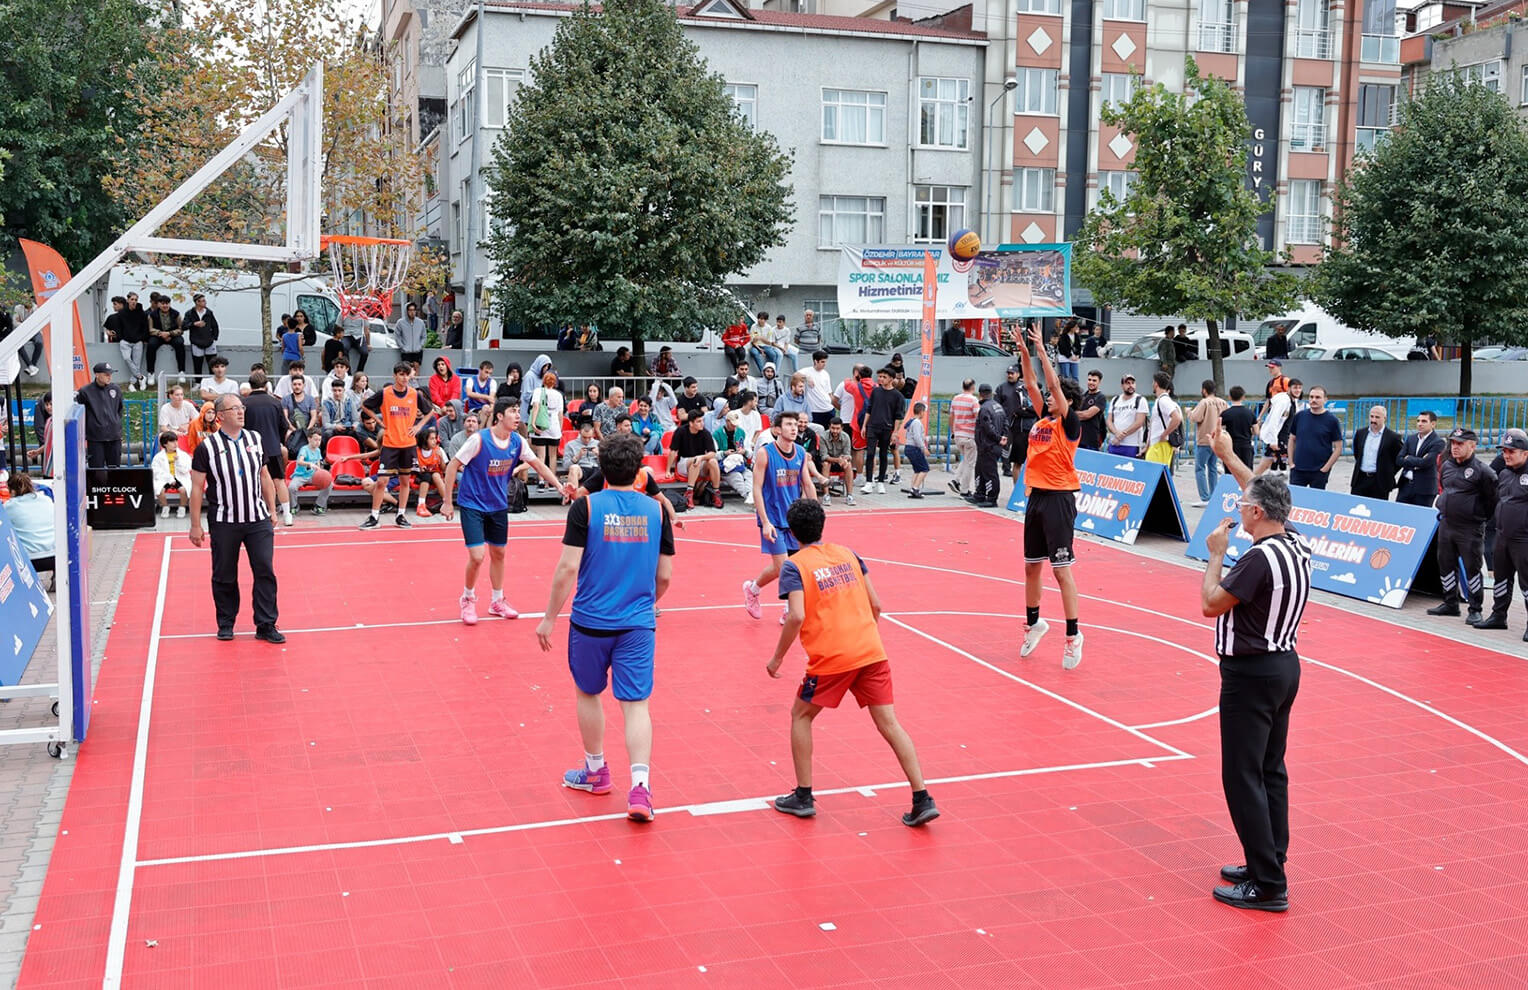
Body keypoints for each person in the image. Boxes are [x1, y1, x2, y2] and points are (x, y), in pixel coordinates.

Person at [766, 498, 939, 827]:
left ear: (791, 533)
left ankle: (803, 796)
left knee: (800, 716)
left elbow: (797, 615)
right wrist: (861, 634)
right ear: (822, 526)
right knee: (889, 724)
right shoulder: (849, 554)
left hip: (833, 657)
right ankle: (922, 797)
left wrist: (776, 659)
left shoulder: (794, 566)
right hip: (872, 651)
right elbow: (876, 604)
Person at [536, 433, 675, 823]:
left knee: (588, 692)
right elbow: (664, 575)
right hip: (637, 625)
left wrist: (549, 617)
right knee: (635, 705)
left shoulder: (586, 508)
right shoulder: (656, 511)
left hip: (590, 622)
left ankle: (596, 770)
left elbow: (567, 569)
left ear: (601, 467)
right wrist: (645, 604)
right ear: (640, 468)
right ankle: (641, 788)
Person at [1199, 429, 1311, 913]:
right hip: (1284, 666)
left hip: (1251, 673)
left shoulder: (1256, 559)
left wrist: (1215, 554)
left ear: (1257, 514)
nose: (1239, 507)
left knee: (1242, 775)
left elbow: (1211, 604)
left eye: (1244, 505)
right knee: (1270, 771)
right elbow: (1263, 496)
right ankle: (1269, 860)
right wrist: (1227, 455)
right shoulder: (1293, 542)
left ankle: (1268, 884)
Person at [442, 399, 569, 624]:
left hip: (498, 505)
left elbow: (539, 465)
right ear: (500, 416)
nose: (517, 416)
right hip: (473, 504)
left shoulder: (517, 441)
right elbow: (453, 465)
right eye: (512, 411)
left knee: (499, 554)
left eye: (518, 411)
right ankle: (468, 598)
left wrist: (559, 486)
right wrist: (447, 502)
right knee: (477, 556)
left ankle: (497, 601)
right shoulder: (479, 440)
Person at [1015, 324, 1085, 670]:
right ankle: (1034, 623)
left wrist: (1043, 350)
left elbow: (1053, 384)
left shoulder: (1068, 425)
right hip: (1036, 497)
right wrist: (1025, 352)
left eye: (1059, 397)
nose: (1051, 397)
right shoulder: (1043, 419)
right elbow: (1031, 383)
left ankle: (1073, 635)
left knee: (1061, 571)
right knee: (1031, 567)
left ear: (1068, 403)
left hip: (1060, 498)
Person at [189, 394, 283, 643]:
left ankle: (266, 624)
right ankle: (226, 622)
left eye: (242, 407)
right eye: (234, 409)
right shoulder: (206, 447)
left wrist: (272, 510)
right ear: (220, 416)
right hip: (224, 520)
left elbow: (265, 476)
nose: (241, 412)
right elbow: (197, 488)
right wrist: (195, 525)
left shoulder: (255, 438)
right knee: (224, 574)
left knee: (264, 569)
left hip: (257, 518)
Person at [743, 412, 817, 624]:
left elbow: (807, 484)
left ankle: (757, 591)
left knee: (790, 565)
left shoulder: (801, 452)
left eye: (796, 424)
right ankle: (778, 603)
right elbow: (756, 488)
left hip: (794, 519)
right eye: (788, 425)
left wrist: (816, 513)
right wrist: (765, 521)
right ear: (777, 429)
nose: (794, 428)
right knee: (785, 566)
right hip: (773, 518)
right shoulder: (766, 453)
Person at [1427, 428, 1497, 625]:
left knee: (1472, 569)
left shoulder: (1484, 471)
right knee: (1445, 564)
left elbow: (1492, 500)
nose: (1454, 447)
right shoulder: (1447, 465)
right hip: (1447, 524)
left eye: (1460, 444)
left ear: (1472, 446)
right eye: (1453, 443)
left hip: (1470, 529)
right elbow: (1444, 488)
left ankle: (1475, 609)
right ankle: (1450, 603)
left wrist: (1477, 517)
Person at [359, 362, 434, 529]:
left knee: (405, 480)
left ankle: (401, 515)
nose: (404, 377)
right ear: (394, 376)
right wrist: (378, 420)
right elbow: (365, 405)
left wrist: (418, 427)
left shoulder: (414, 394)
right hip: (390, 443)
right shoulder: (385, 393)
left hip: (408, 444)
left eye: (407, 374)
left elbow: (430, 411)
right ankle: (374, 516)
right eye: (401, 374)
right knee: (381, 481)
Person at [1474, 429, 1528, 639]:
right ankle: (1498, 615)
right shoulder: (1504, 474)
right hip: (1502, 536)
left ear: (1524, 452)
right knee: (1502, 579)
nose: (1506, 455)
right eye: (1504, 450)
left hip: (1524, 539)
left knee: (1526, 583)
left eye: (1511, 451)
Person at [1285, 386, 1343, 490]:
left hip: (1319, 471)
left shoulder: (1332, 420)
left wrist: (1326, 468)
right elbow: (1292, 439)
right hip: (1298, 470)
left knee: (1316, 503)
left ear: (1325, 400)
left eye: (1317, 397)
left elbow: (1338, 448)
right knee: (1296, 501)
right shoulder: (1300, 416)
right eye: (1311, 397)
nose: (1313, 400)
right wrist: (1291, 462)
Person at [859, 367, 906, 495]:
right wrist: (864, 425)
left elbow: (898, 416)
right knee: (870, 453)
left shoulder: (898, 396)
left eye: (884, 377)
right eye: (879, 376)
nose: (880, 379)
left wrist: (895, 432)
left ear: (891, 379)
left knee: (883, 454)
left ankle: (880, 482)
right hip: (872, 426)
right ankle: (869, 481)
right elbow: (869, 409)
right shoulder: (876, 391)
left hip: (887, 428)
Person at [668, 410, 723, 509]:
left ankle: (716, 493)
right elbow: (673, 451)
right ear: (691, 423)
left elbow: (712, 453)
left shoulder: (705, 433)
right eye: (698, 421)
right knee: (695, 461)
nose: (702, 423)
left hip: (699, 461)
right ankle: (689, 493)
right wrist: (668, 470)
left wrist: (701, 457)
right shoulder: (681, 431)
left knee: (713, 461)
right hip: (683, 463)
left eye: (702, 421)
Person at [76, 362, 125, 468]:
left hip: (114, 437)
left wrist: (115, 424)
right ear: (97, 375)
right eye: (106, 374)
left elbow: (119, 409)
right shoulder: (85, 391)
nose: (109, 377)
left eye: (110, 374)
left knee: (115, 468)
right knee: (96, 470)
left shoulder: (115, 389)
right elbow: (80, 412)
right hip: (95, 438)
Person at [1187, 379, 1227, 506]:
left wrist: (1189, 412)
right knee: (1213, 467)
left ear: (1204, 390)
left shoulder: (1204, 402)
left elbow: (1196, 417)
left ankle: (1205, 497)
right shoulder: (1222, 402)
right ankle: (1214, 494)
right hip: (1218, 439)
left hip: (1205, 439)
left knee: (1200, 468)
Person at [1350, 405, 1402, 500]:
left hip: (1379, 482)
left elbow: (1399, 459)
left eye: (1377, 417)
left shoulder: (1393, 437)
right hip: (1360, 479)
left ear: (1384, 418)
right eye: (1372, 416)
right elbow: (1357, 453)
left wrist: (1387, 472)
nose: (1373, 420)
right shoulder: (1360, 433)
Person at [996, 363, 1037, 482]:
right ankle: (1006, 466)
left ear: (1018, 375)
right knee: (1006, 446)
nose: (1010, 375)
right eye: (1008, 373)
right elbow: (1000, 405)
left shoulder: (1024, 388)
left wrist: (1026, 411)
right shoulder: (1002, 387)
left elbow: (1036, 409)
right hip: (1007, 422)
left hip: (1024, 426)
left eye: (1012, 373)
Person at [1396, 411, 1445, 507]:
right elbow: (1399, 459)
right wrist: (1417, 462)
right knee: (1399, 517)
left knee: (1419, 519)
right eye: (1418, 421)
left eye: (1424, 421)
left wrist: (1408, 458)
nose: (1420, 424)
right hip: (1405, 486)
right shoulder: (1411, 439)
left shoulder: (1438, 442)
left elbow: (1426, 463)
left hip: (1424, 490)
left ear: (1433, 424)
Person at [528, 368, 565, 488]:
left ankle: (541, 480)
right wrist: (560, 429)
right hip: (554, 426)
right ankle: (552, 480)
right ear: (554, 382)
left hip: (541, 426)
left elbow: (536, 407)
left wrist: (533, 423)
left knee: (541, 456)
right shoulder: (559, 395)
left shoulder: (538, 391)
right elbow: (561, 414)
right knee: (553, 456)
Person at [971, 384, 1004, 508]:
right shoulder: (998, 406)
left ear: (980, 394)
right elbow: (1005, 422)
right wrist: (1003, 436)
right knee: (980, 469)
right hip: (990, 445)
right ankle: (980, 494)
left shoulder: (985, 408)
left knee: (990, 473)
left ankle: (991, 498)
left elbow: (987, 428)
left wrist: (998, 438)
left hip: (988, 445)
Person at [111, 292, 150, 390]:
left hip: (138, 341)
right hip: (125, 341)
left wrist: (143, 338)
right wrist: (120, 337)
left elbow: (145, 327)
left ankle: (132, 383)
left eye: (136, 300)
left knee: (137, 363)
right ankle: (141, 377)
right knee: (127, 358)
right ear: (127, 300)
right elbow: (118, 326)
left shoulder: (142, 313)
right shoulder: (122, 313)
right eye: (132, 299)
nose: (134, 301)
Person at [290, 429, 335, 515]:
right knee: (291, 487)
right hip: (301, 476)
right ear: (309, 439)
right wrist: (309, 464)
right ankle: (294, 506)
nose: (318, 442)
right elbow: (299, 461)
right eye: (315, 439)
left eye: (319, 440)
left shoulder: (318, 450)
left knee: (329, 484)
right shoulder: (304, 449)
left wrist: (320, 471)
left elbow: (318, 465)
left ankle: (318, 506)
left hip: (313, 476)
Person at [948, 379, 980, 495]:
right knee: (970, 464)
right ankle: (964, 490)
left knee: (966, 459)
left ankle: (955, 480)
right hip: (970, 435)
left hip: (958, 435)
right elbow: (978, 417)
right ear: (973, 387)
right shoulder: (973, 400)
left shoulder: (955, 399)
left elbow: (951, 416)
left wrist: (953, 430)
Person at [1143, 371, 1182, 468]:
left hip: (1160, 445)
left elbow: (1177, 418)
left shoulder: (1163, 401)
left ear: (1156, 384)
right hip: (1158, 445)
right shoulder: (1161, 400)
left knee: (1154, 475)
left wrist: (1165, 433)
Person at [1105, 374, 1148, 459]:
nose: (1130, 385)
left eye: (1132, 383)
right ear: (1122, 385)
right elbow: (1109, 420)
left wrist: (1121, 435)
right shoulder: (1115, 400)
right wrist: (1116, 433)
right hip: (1114, 443)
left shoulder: (1140, 400)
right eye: (1127, 383)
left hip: (1131, 445)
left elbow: (1139, 422)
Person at [150, 431, 192, 518]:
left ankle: (182, 507)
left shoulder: (183, 455)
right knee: (159, 490)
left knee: (183, 490)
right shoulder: (158, 457)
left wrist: (178, 462)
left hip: (180, 477)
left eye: (176, 441)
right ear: (165, 444)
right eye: (172, 442)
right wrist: (169, 479)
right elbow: (156, 471)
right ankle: (165, 507)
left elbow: (186, 469)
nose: (175, 444)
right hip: (164, 478)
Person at [145, 293, 186, 379]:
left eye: (167, 303)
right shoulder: (152, 315)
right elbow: (150, 329)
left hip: (172, 336)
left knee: (180, 343)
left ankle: (181, 371)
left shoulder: (176, 314)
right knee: (151, 344)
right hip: (158, 336)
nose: (165, 305)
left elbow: (181, 329)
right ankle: (150, 372)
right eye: (163, 303)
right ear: (159, 304)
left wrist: (170, 333)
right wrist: (161, 333)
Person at [413, 428, 450, 517]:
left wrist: (441, 458)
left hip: (436, 476)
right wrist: (420, 468)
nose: (435, 441)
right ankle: (421, 505)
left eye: (435, 438)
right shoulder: (416, 451)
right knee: (427, 475)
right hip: (420, 476)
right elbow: (413, 467)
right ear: (425, 440)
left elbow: (444, 469)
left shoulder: (439, 450)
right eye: (432, 439)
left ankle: (447, 502)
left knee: (436, 475)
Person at [820, 418, 856, 506]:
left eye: (837, 428)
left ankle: (850, 495)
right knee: (825, 464)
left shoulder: (846, 437)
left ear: (841, 428)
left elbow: (848, 454)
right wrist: (837, 460)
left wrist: (844, 459)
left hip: (841, 462)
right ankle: (826, 495)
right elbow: (824, 456)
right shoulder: (823, 436)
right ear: (829, 427)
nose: (835, 431)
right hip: (828, 462)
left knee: (848, 464)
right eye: (833, 428)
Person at [1220, 386, 1256, 471]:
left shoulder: (1226, 413)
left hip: (1231, 447)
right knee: (1247, 473)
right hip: (1246, 445)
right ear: (1243, 397)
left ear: (1230, 397)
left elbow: (1220, 430)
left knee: (1230, 473)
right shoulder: (1250, 413)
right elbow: (1257, 431)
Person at [183, 293, 220, 375]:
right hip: (196, 342)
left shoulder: (209, 313)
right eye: (203, 301)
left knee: (213, 364)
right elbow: (184, 326)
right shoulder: (189, 313)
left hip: (209, 341)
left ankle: (213, 381)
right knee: (197, 364)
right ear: (197, 302)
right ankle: (198, 382)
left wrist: (214, 338)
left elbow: (215, 325)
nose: (205, 302)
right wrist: (194, 324)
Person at [562, 418, 601, 493]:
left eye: (589, 438)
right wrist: (577, 457)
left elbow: (607, 464)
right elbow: (566, 466)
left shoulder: (598, 444)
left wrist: (599, 455)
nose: (587, 440)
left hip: (597, 469)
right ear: (579, 433)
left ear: (593, 434)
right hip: (582, 469)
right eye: (584, 437)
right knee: (574, 468)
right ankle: (574, 497)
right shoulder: (570, 445)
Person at [1074, 370, 1107, 453]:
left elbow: (1087, 415)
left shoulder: (1100, 397)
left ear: (1099, 382)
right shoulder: (1082, 396)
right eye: (1089, 380)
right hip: (1078, 439)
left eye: (1094, 380)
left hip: (1091, 441)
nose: (1091, 382)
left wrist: (1072, 414)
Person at [903, 403, 931, 498]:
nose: (924, 414)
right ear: (921, 412)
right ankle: (915, 488)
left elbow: (913, 435)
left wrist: (925, 438)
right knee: (924, 469)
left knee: (917, 470)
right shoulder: (917, 422)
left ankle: (912, 489)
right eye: (924, 412)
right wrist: (924, 449)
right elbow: (917, 437)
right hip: (914, 448)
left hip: (909, 447)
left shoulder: (911, 421)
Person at [803, 351, 835, 430]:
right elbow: (795, 375)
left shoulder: (825, 374)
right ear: (815, 361)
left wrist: (833, 404)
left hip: (828, 409)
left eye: (825, 362)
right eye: (822, 362)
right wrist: (807, 377)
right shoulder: (807, 371)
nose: (824, 364)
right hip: (815, 410)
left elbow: (829, 392)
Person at [395, 302, 427, 368]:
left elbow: (424, 336)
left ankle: (416, 379)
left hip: (417, 350)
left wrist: (420, 346)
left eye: (414, 310)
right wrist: (402, 346)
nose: (412, 312)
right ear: (406, 311)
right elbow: (397, 336)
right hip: (406, 351)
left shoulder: (420, 322)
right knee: (407, 369)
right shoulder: (400, 322)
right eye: (410, 310)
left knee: (416, 367)